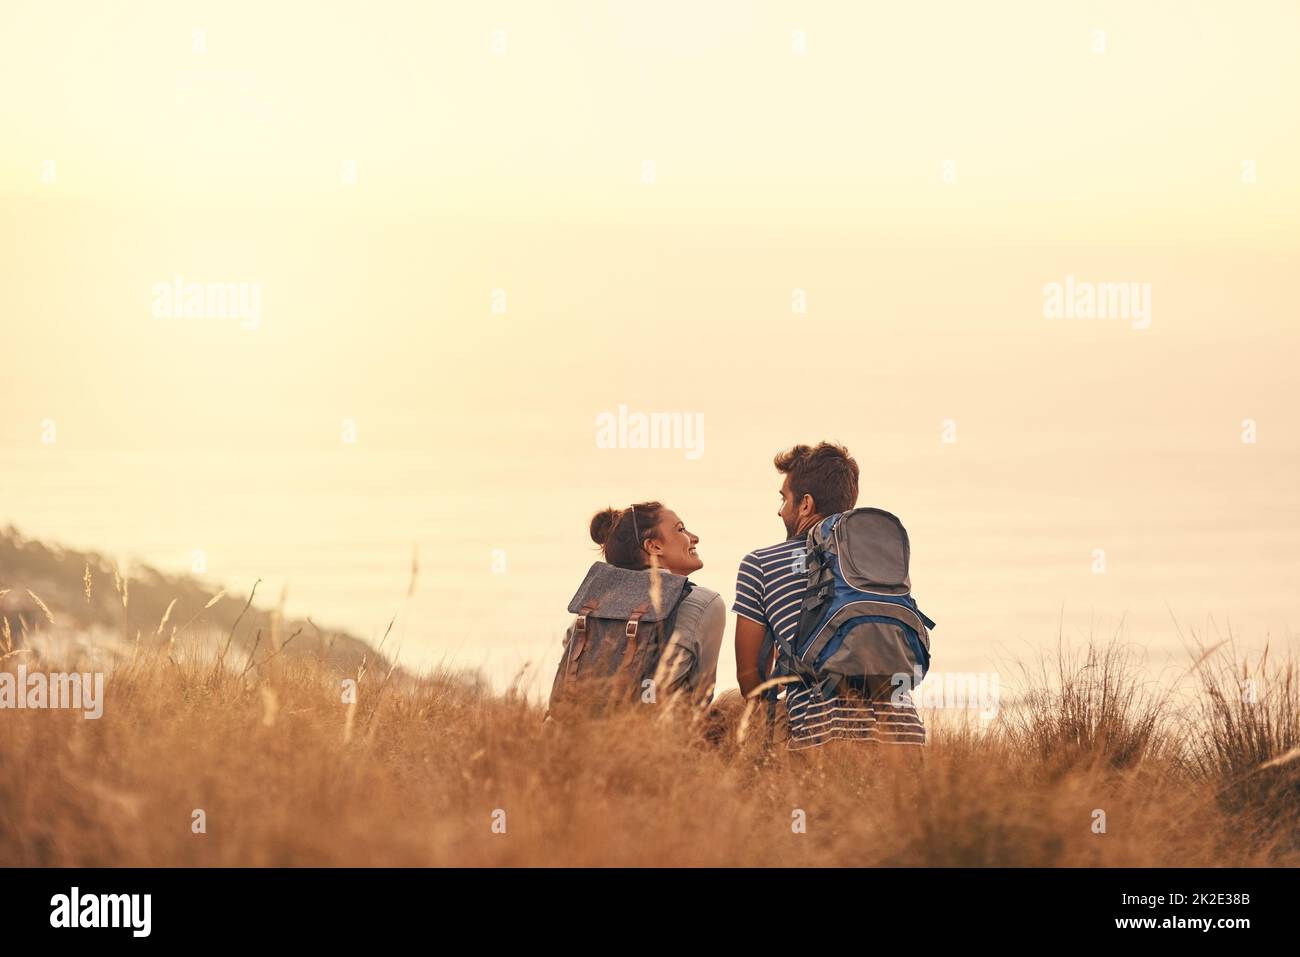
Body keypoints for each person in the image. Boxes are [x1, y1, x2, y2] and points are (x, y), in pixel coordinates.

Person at [732, 443, 927, 751]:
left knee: (728, 704)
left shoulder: (760, 564)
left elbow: (751, 679)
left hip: (821, 736)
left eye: (784, 499)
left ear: (806, 504)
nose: (780, 510)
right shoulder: (874, 558)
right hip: (906, 738)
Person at [581, 501, 725, 706]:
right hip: (660, 730)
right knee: (734, 701)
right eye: (681, 529)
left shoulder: (594, 605)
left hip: (579, 725)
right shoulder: (705, 602)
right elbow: (700, 697)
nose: (694, 538)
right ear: (654, 546)